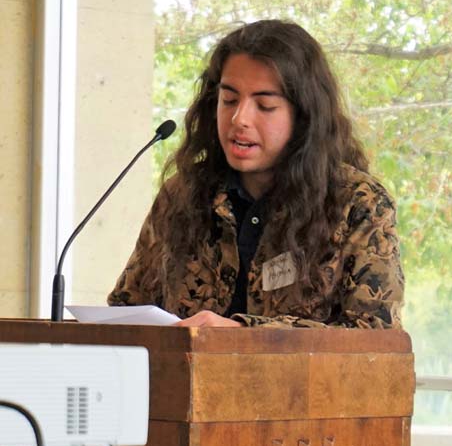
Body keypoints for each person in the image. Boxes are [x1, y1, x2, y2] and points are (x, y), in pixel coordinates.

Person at [108, 19, 404, 329]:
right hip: (184, 378)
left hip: (303, 381)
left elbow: (376, 336)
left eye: (264, 105)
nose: (239, 118)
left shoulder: (357, 203)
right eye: (229, 100)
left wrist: (243, 334)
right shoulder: (181, 194)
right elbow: (128, 308)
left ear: (303, 115)